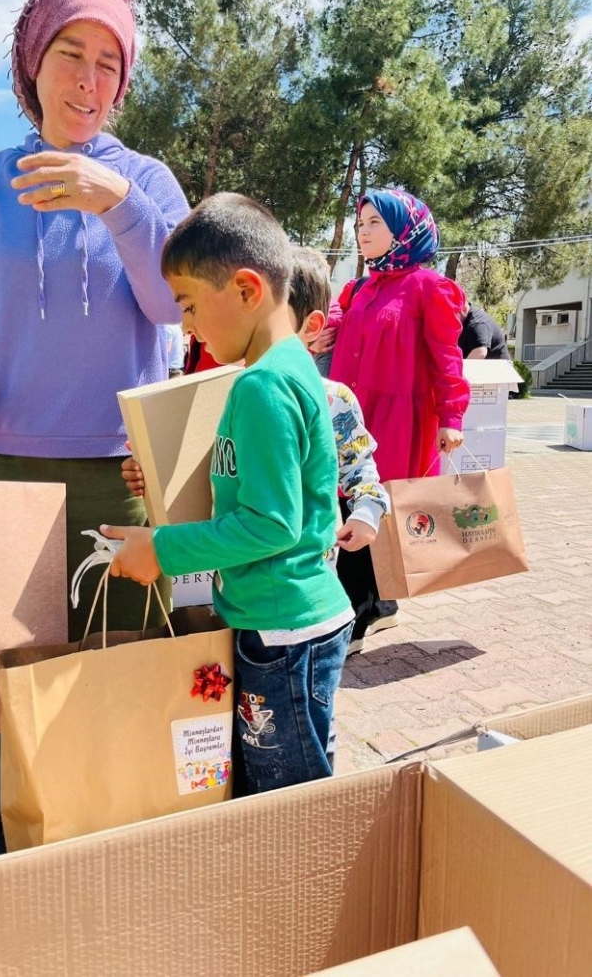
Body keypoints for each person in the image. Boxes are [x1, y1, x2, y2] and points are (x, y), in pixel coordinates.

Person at [0, 0, 190, 838]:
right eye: (72, 52)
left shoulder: (146, 181)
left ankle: (119, 804)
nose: (89, 77)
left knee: (127, 640)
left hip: (124, 464)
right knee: (10, 650)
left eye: (110, 62)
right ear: (32, 62)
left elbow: (176, 306)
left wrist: (116, 202)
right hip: (9, 457)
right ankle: (13, 809)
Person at [101, 192, 354, 795]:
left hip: (281, 630)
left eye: (188, 305)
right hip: (292, 620)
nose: (185, 325)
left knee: (283, 793)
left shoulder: (261, 387)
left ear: (245, 290)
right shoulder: (287, 370)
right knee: (295, 770)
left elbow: (270, 524)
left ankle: (300, 884)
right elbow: (251, 484)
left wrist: (159, 550)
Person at [311, 188, 470, 640]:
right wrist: (320, 337)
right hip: (351, 417)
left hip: (400, 418)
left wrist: (451, 419)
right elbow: (334, 328)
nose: (363, 232)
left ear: (405, 229)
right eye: (360, 224)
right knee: (347, 500)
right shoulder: (358, 287)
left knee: (375, 506)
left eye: (375, 223)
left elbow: (446, 359)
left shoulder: (429, 288)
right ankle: (374, 602)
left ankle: (363, 610)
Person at [289, 248, 390, 656]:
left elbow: (360, 467)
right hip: (238, 591)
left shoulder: (333, 400)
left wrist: (367, 512)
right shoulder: (222, 396)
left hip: (313, 588)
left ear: (312, 326)